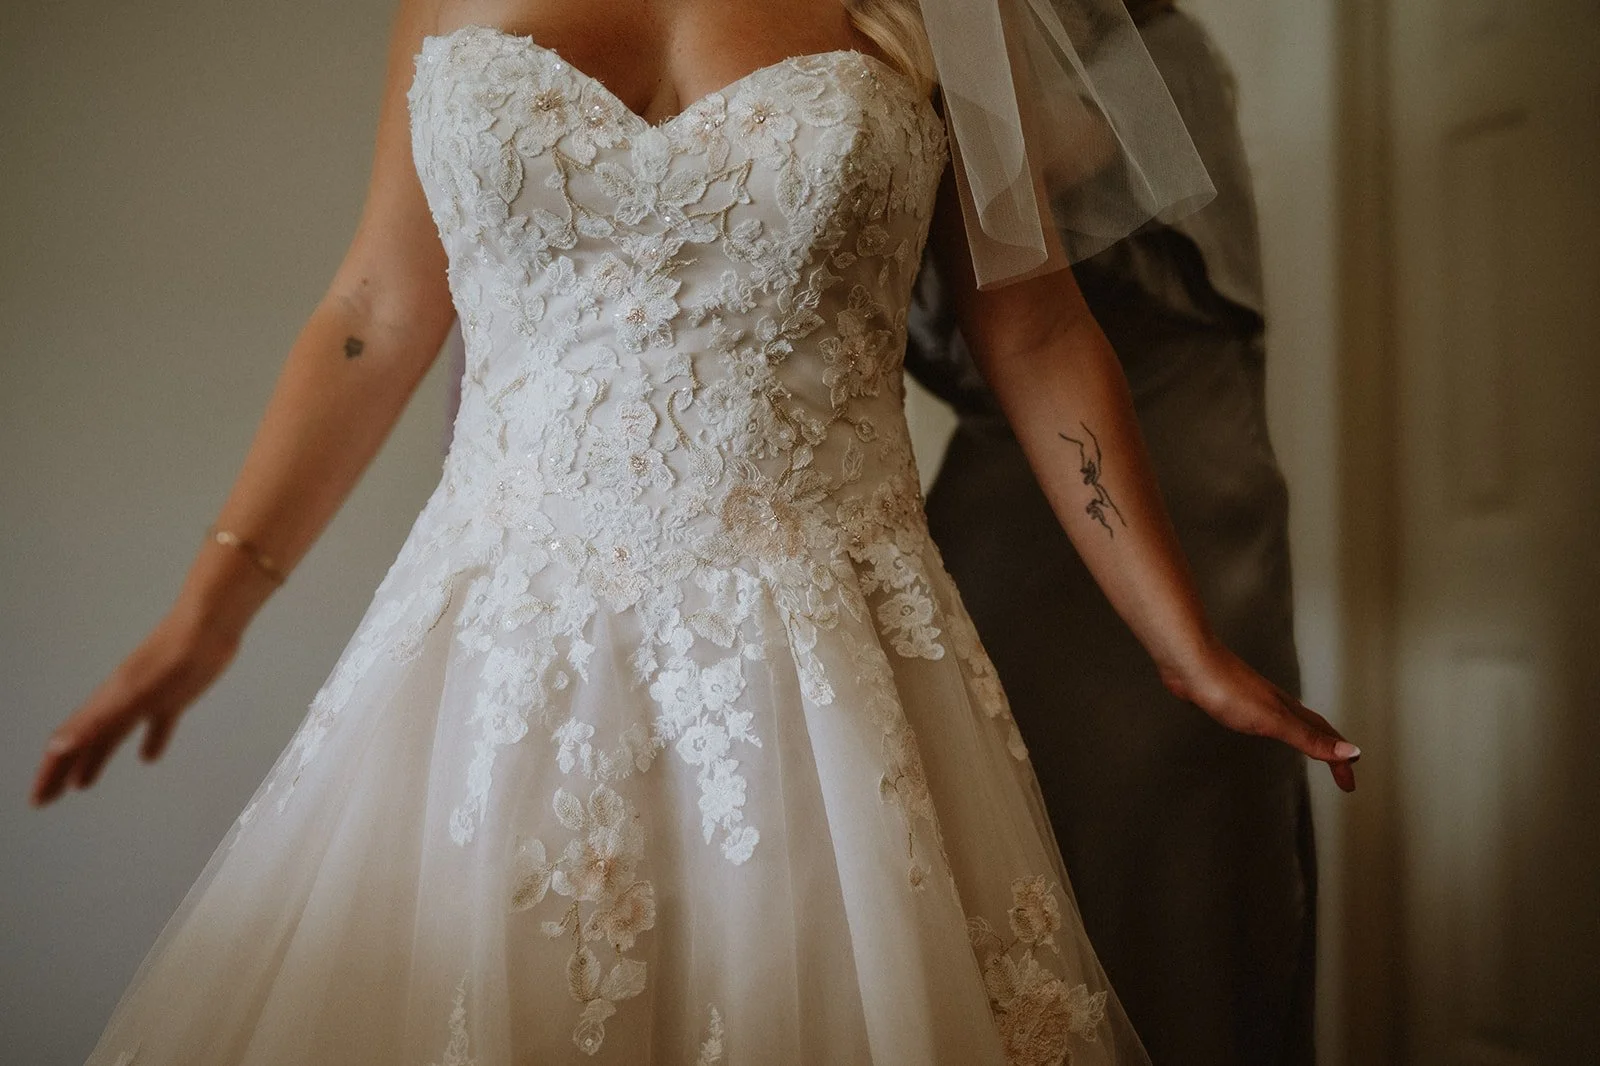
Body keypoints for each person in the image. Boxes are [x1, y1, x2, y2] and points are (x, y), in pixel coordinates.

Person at [30, 1, 1357, 1062]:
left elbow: (1040, 327)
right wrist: (207, 613)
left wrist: (1183, 641)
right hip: (496, 657)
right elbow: (374, 309)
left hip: (826, 668)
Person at [906, 4, 1318, 1062]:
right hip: (998, 478)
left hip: (1171, 462)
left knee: (1170, 865)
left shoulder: (1152, 54)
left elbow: (1009, 175)